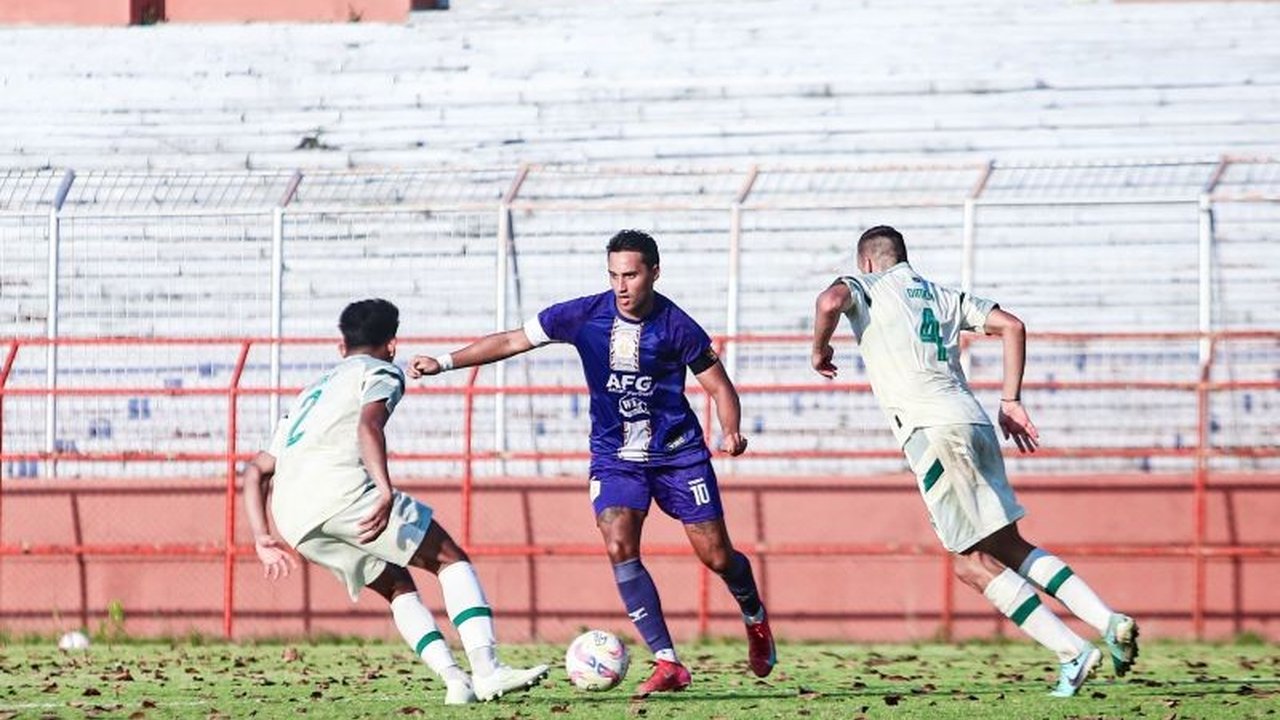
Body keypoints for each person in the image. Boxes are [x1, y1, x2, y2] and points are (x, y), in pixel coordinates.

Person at [409, 229, 776, 697]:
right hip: (615, 457)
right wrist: (443, 362)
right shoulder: (583, 314)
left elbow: (721, 387)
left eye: (631, 274)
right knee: (618, 542)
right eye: (613, 274)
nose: (621, 285)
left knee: (718, 556)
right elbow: (511, 341)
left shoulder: (678, 326)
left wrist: (731, 429)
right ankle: (667, 661)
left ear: (654, 273)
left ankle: (754, 615)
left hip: (679, 455)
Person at [809, 225, 1139, 697]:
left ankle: (1072, 651)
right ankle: (1109, 621)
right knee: (1008, 545)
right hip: (976, 421)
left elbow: (827, 302)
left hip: (932, 430)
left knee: (969, 562)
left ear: (865, 262)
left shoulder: (867, 286)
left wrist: (820, 348)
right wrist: (1011, 400)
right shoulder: (943, 295)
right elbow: (1013, 326)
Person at [241, 298, 548, 706]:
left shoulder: (309, 393)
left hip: (293, 518)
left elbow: (255, 471)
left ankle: (457, 682)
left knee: (396, 586)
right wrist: (384, 489)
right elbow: (370, 425)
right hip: (343, 492)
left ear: (341, 347)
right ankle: (488, 669)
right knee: (449, 559)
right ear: (392, 345)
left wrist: (262, 537)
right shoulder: (381, 370)